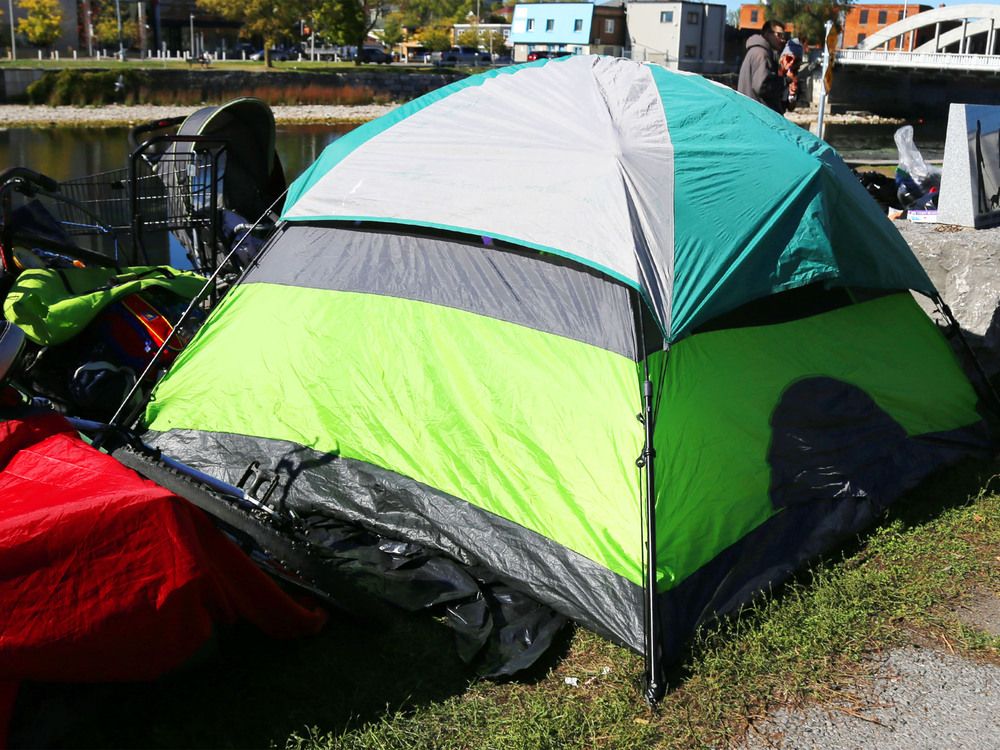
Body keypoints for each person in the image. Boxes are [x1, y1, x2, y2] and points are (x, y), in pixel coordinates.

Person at [737, 20, 788, 113]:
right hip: (757, 116)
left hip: (750, 113)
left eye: (784, 36)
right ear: (767, 34)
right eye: (779, 35)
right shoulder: (761, 54)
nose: (782, 40)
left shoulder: (756, 52)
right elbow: (761, 87)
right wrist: (783, 82)